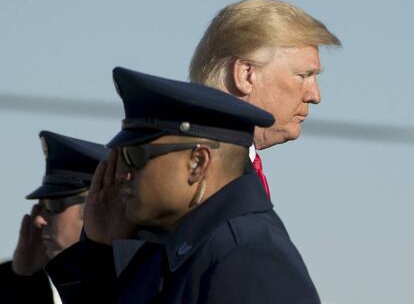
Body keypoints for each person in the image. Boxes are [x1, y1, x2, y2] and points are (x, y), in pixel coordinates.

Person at [46, 67, 321, 303]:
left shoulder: (248, 260)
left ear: (198, 163)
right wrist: (99, 252)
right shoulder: (174, 251)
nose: (122, 173)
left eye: (135, 156)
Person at [189, 0, 341, 193]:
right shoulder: (198, 177)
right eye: (303, 76)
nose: (315, 96)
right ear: (246, 75)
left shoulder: (213, 168)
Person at [0, 131, 108, 303]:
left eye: (53, 205)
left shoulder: (134, 283)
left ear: (92, 209)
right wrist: (22, 276)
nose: (38, 220)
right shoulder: (35, 285)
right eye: (40, 208)